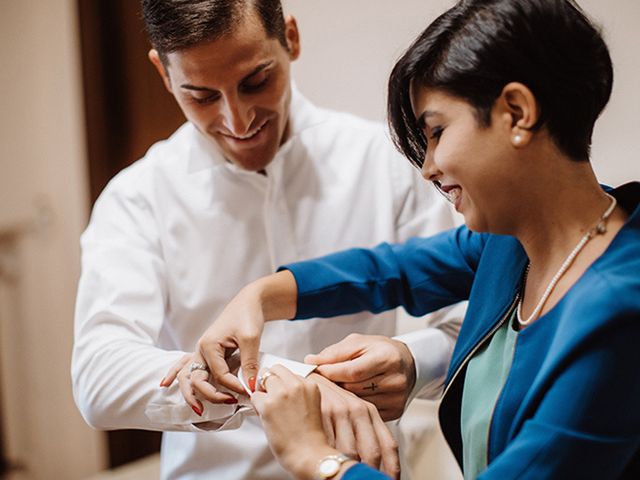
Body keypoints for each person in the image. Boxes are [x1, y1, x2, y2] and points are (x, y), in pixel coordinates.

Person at [185, 0, 640, 478]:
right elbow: (389, 270)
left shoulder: (619, 313)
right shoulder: (511, 243)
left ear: (516, 112)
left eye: (437, 132)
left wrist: (313, 456)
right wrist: (259, 297)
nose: (428, 169)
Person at [71, 1, 462, 479]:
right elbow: (98, 377)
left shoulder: (384, 163)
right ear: (164, 75)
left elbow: (465, 328)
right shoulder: (137, 198)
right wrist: (288, 382)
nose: (237, 122)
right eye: (201, 96)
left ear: (291, 39)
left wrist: (412, 361)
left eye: (255, 82)